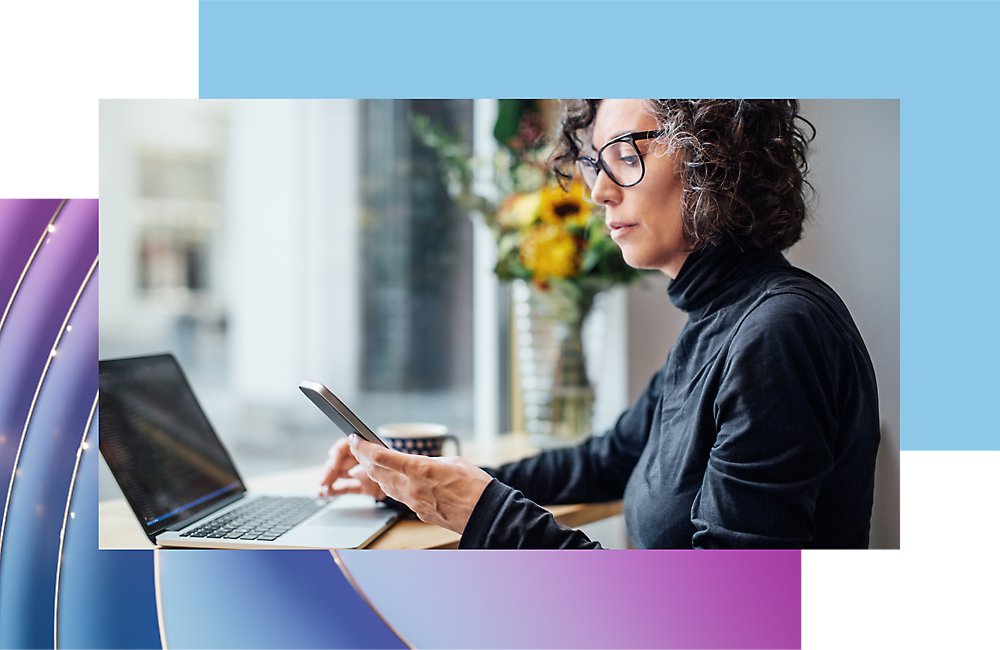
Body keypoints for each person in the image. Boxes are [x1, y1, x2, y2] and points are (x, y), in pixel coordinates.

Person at [319, 99, 881, 549]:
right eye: (595, 161)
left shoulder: (778, 332)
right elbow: (604, 461)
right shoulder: (719, 321)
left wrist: (485, 514)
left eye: (626, 154)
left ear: (716, 158)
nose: (597, 191)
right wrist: (423, 484)